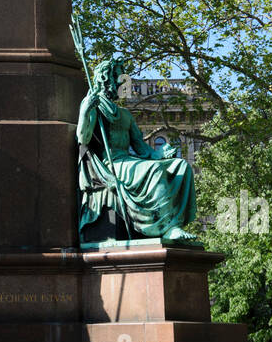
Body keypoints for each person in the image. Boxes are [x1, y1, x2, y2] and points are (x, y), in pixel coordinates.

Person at [77, 58, 200, 246]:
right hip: (111, 164)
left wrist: (161, 154)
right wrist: (85, 110)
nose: (123, 81)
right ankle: (168, 228)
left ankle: (174, 224)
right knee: (155, 171)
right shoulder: (94, 107)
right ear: (105, 78)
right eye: (119, 76)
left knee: (181, 166)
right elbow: (82, 138)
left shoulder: (125, 114)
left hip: (129, 161)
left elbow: (143, 149)